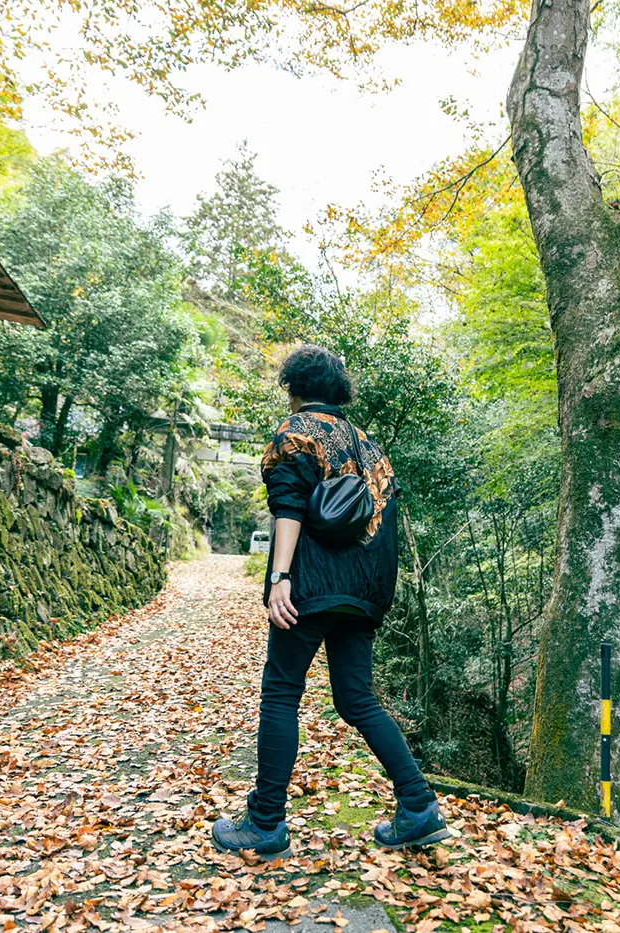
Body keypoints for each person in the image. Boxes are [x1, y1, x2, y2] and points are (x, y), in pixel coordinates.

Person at [211, 344, 448, 860]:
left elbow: (289, 508)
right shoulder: (369, 446)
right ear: (339, 389)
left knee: (281, 693)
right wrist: (374, 596)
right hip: (364, 591)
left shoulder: (295, 433)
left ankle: (266, 823)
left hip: (311, 586)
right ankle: (418, 806)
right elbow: (384, 525)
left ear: (293, 387)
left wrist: (280, 577)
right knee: (356, 699)